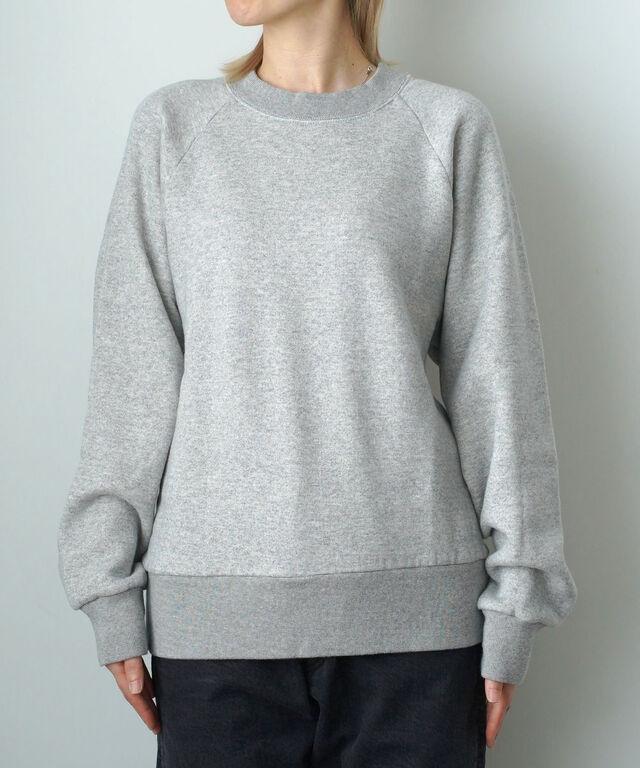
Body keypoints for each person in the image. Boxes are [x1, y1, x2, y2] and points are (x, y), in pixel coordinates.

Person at [56, 1, 578, 765]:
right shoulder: (174, 129)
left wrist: (518, 598)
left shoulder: (445, 129)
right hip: (217, 631)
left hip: (416, 634)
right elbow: (129, 382)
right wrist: (107, 589)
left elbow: (499, 382)